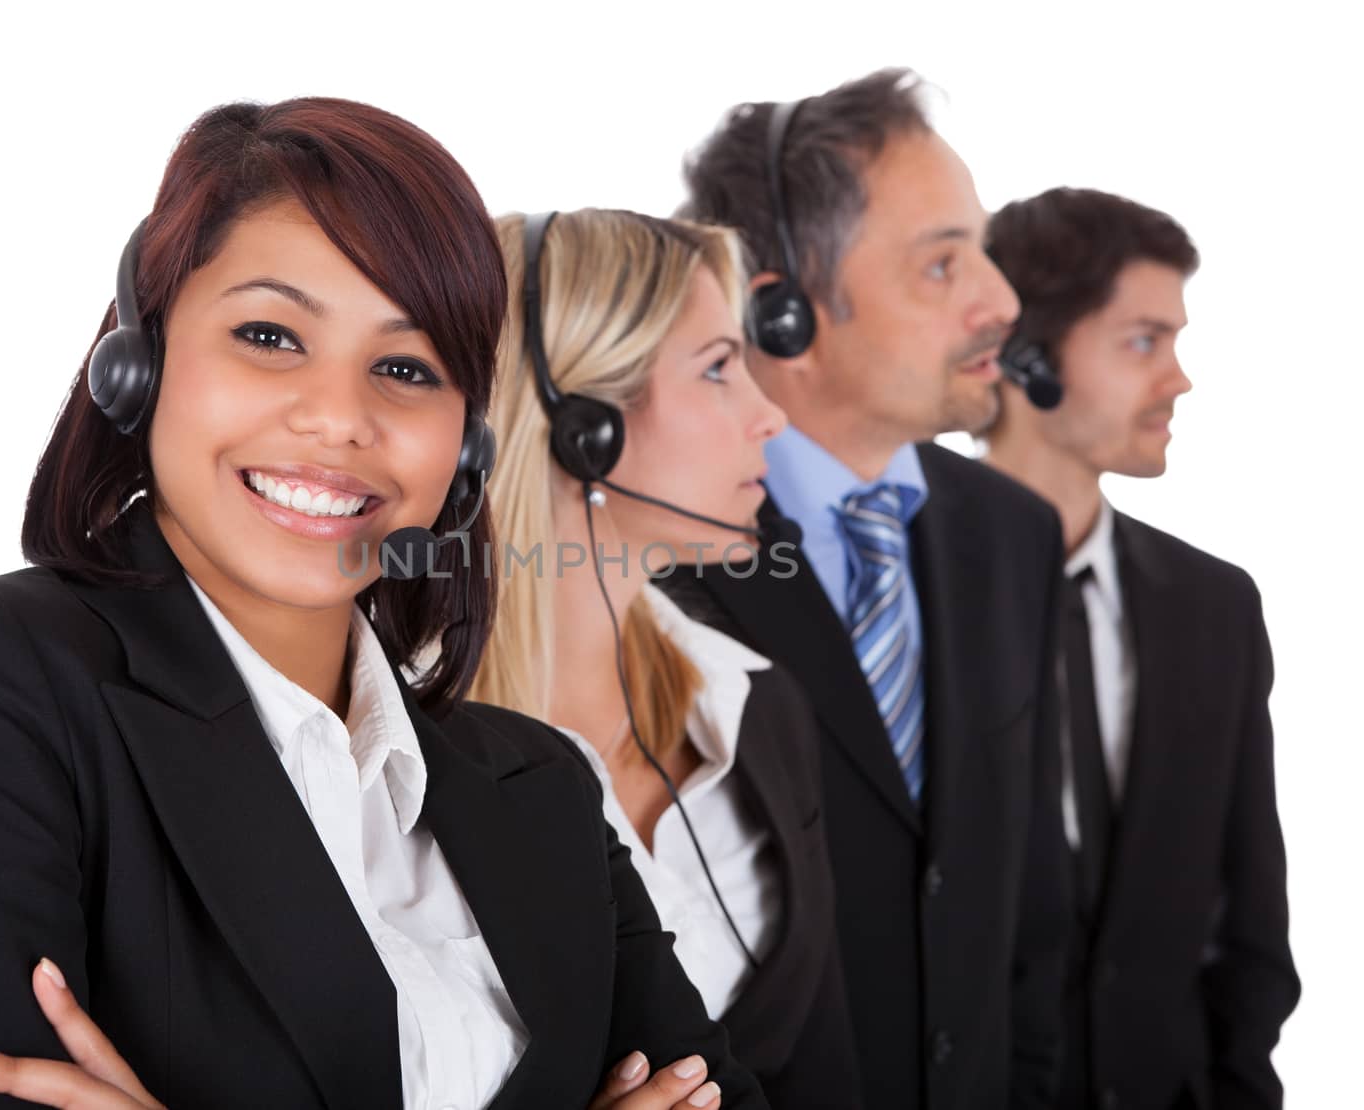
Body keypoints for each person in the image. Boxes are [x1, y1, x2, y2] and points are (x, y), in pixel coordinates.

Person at [0, 97, 762, 1110]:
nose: (339, 419)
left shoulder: (540, 788)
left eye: (405, 367)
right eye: (269, 334)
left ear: (467, 451)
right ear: (139, 363)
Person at [669, 68, 1073, 1109]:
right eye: (942, 265)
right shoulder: (650, 551)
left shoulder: (1012, 533)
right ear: (786, 311)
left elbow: (1026, 908)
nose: (1001, 301)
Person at [470, 208, 862, 1108]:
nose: (771, 417)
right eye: (719, 368)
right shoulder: (383, 751)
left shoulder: (754, 709)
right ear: (581, 424)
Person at [981, 186, 1301, 1110]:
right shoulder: (904, 593)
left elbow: (1248, 920)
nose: (1179, 378)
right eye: (1142, 341)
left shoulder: (1213, 605)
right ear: (1025, 356)